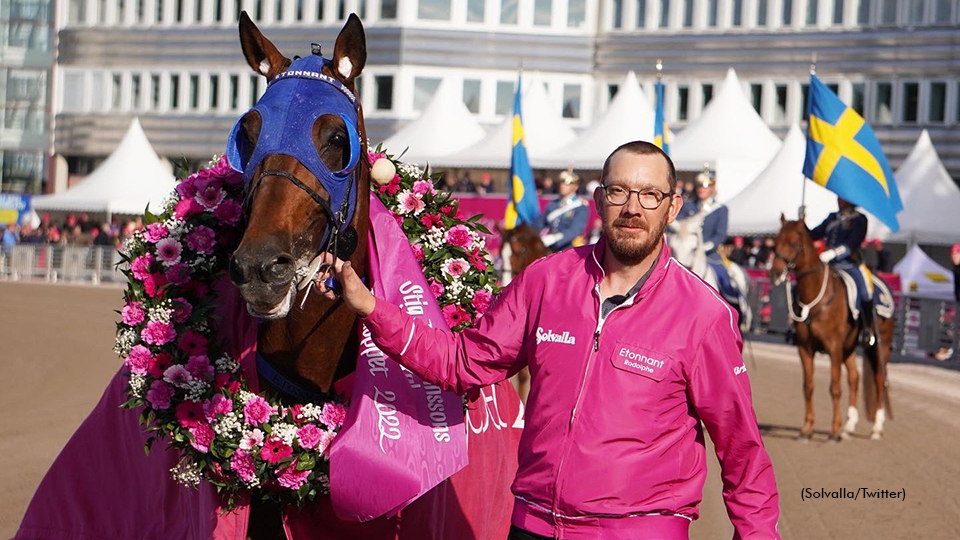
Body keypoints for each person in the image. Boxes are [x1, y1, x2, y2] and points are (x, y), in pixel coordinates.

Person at [322, 141, 780, 540]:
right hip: (533, 526)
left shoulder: (703, 314)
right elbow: (462, 362)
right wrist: (371, 308)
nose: (634, 208)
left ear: (673, 207)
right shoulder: (545, 280)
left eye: (651, 195)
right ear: (599, 200)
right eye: (619, 191)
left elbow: (741, 449)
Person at [809, 197, 875, 347]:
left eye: (843, 198)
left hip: (849, 264)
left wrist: (834, 253)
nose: (839, 200)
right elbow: (814, 234)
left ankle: (866, 328)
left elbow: (853, 243)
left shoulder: (859, 219)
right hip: (828, 264)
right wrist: (802, 224)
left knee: (865, 291)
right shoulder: (832, 217)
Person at [678, 168, 740, 305]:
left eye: (705, 186)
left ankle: (735, 306)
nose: (701, 189)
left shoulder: (720, 209)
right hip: (687, 253)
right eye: (699, 185)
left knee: (724, 279)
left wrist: (704, 247)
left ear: (713, 188)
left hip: (710, 254)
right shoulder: (687, 207)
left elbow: (720, 235)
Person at [537, 168, 590, 252]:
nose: (562, 185)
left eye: (567, 183)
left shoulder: (580, 206)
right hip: (551, 247)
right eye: (561, 182)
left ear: (575, 187)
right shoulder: (552, 204)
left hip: (569, 248)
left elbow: (575, 230)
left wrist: (555, 239)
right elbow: (541, 224)